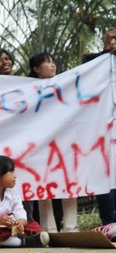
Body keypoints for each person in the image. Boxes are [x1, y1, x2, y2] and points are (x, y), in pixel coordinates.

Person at [28, 52, 78, 232]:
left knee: (70, 183)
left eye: (53, 62)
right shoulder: (28, 90)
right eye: (47, 63)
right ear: (36, 69)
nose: (52, 65)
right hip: (41, 145)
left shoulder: (66, 85)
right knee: (44, 186)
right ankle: (48, 229)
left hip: (65, 142)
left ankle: (71, 227)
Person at [82, 28, 116, 230]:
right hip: (103, 130)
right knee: (107, 176)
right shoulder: (98, 63)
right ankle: (110, 223)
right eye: (111, 38)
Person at [0, 155, 49, 247]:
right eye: (10, 171)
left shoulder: (13, 194)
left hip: (10, 230)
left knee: (33, 226)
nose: (14, 176)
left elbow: (22, 216)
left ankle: (17, 240)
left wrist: (19, 224)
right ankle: (23, 242)